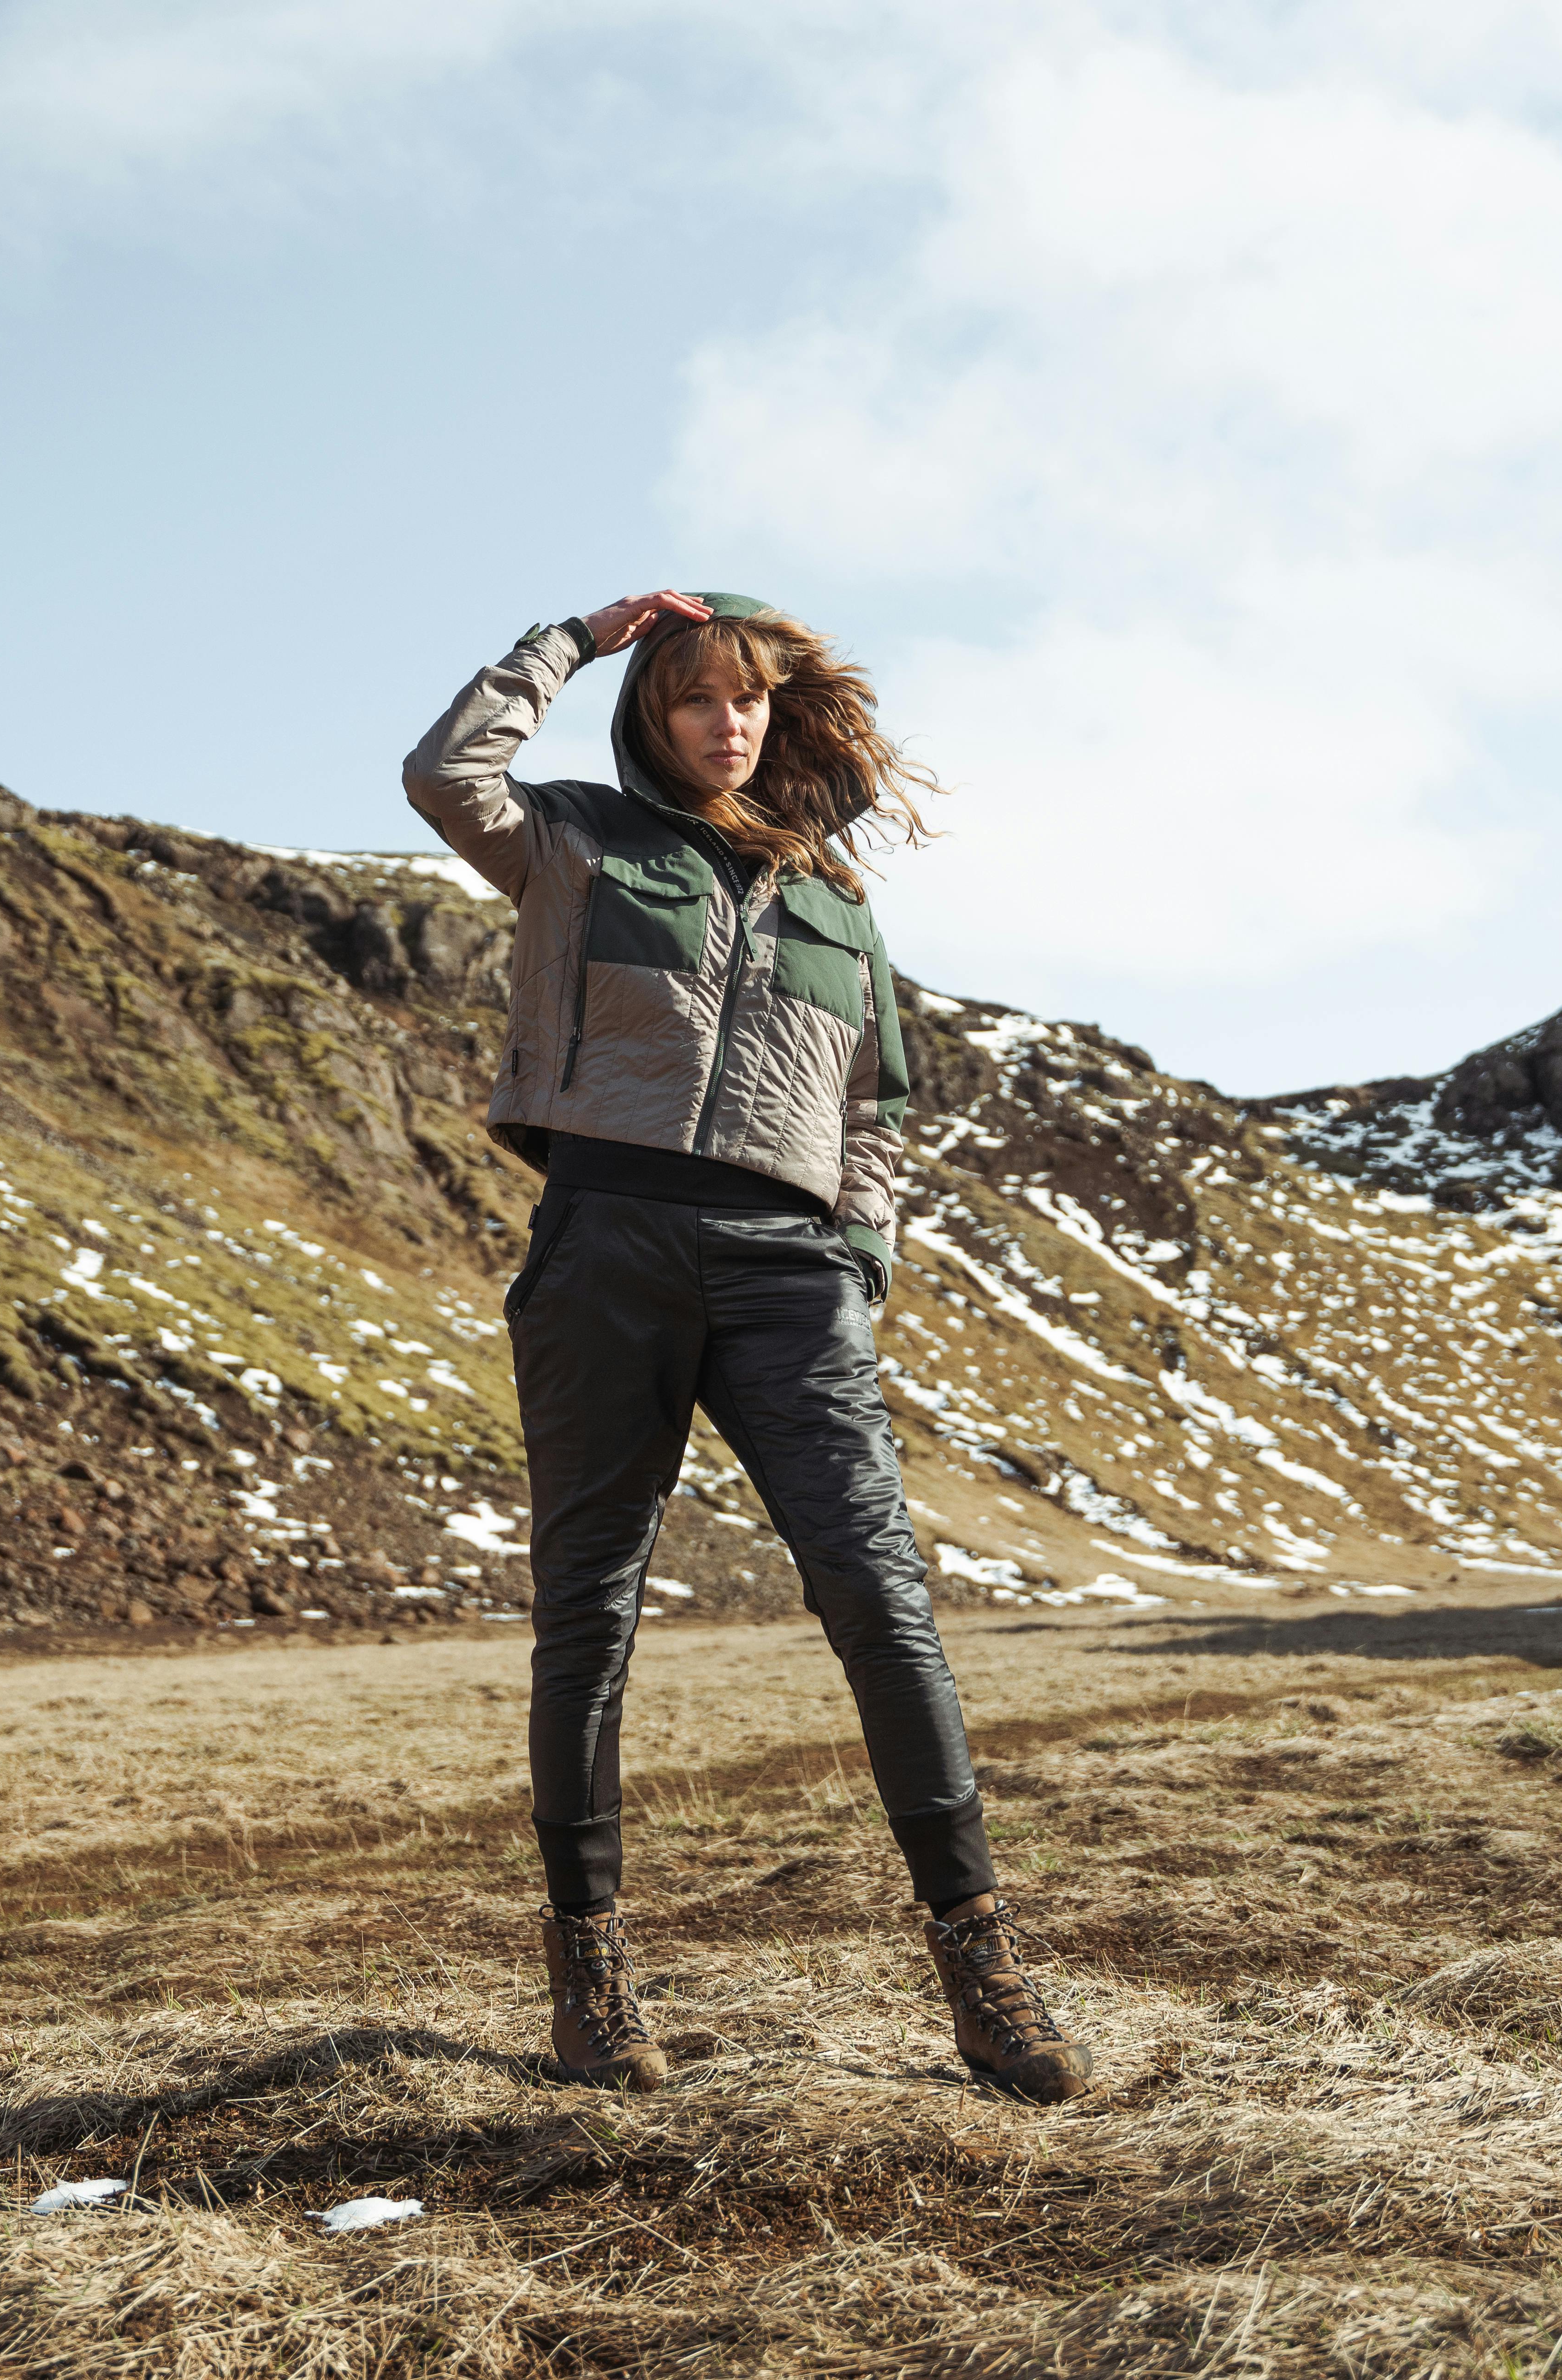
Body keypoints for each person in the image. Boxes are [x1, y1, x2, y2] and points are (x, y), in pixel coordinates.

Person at [404, 590, 1092, 2103]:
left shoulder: (839, 899)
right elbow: (447, 773)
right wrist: (571, 642)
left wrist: (859, 1260)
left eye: (751, 703)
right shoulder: (573, 841)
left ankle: (983, 1978)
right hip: (607, 1243)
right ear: (652, 717)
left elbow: (879, 1107)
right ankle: (591, 1985)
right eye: (698, 701)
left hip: (791, 1276)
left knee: (881, 1598)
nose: (730, 724)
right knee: (589, 1616)